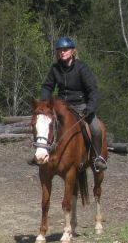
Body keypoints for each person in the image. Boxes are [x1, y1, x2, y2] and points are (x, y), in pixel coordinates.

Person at [40, 36, 107, 171]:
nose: (62, 52)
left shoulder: (82, 68)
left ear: (72, 51)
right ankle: (41, 153)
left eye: (65, 50)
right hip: (61, 105)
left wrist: (90, 108)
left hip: (81, 105)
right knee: (43, 124)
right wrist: (45, 104)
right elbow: (47, 86)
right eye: (60, 50)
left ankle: (97, 158)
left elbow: (92, 89)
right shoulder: (55, 69)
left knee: (96, 129)